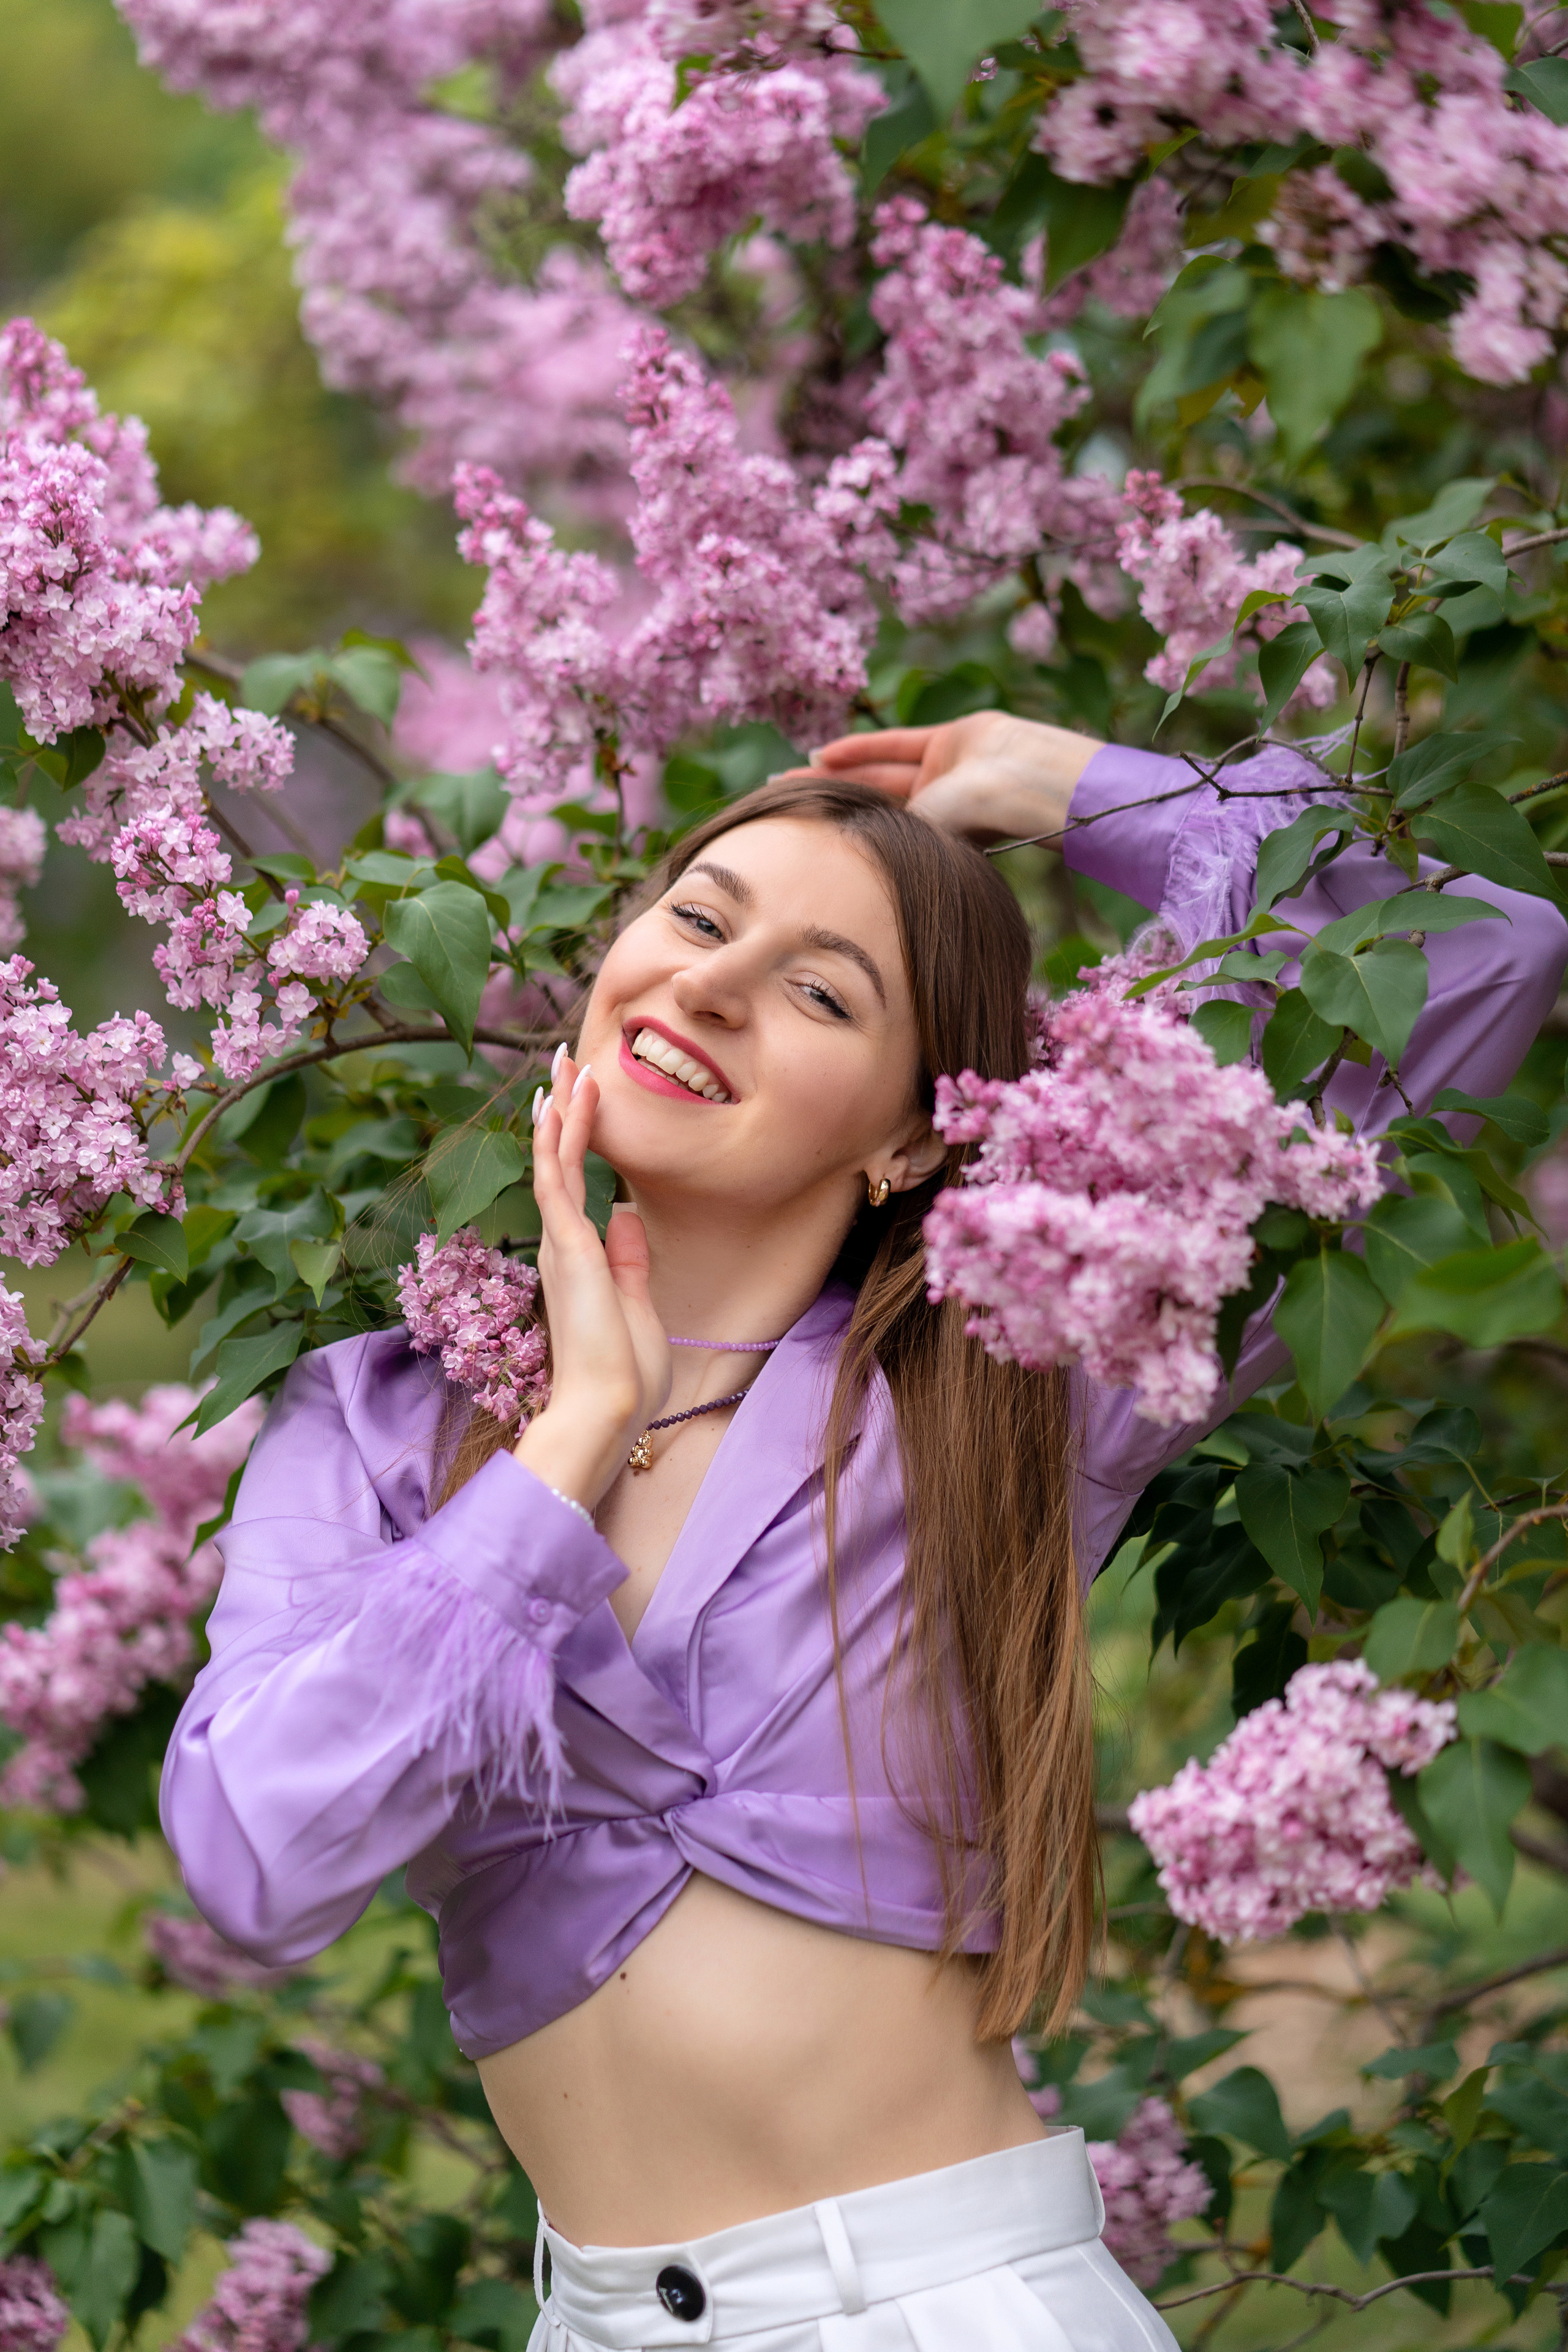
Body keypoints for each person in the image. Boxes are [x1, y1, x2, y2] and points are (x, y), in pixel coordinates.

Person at [160, 713, 1567, 2352]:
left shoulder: (1017, 1364)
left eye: (824, 993)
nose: (710, 985)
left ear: (913, 1134)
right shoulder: (386, 1420)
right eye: (699, 917)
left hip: (939, 2308)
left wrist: (1063, 788)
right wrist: (568, 1446)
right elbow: (255, 1860)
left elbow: (1481, 947)